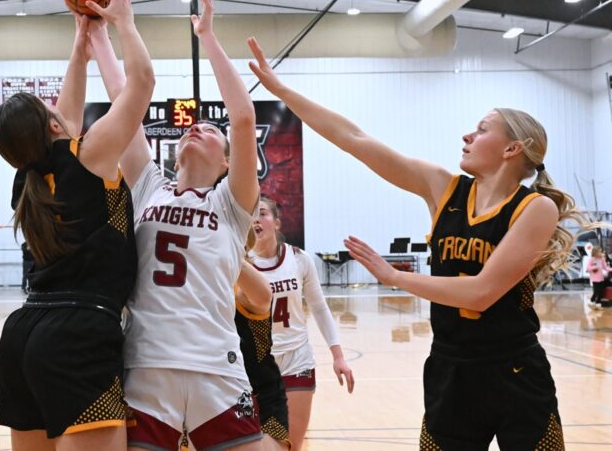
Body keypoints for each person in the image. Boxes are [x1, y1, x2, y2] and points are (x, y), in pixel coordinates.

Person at [248, 38, 592, 449]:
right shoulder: (443, 189)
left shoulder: (534, 208)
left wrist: (395, 277)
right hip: (449, 367)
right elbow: (355, 138)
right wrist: (282, 92)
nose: (467, 134)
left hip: (515, 371)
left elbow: (482, 292)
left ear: (512, 148)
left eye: (481, 130)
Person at [96, 0, 263, 450]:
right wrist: (102, 36)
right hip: (148, 367)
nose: (198, 129)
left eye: (211, 130)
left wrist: (207, 36)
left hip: (219, 369)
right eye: (194, 128)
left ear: (228, 161)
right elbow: (122, 101)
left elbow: (244, 117)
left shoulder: (231, 205)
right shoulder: (149, 184)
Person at [0, 0, 154, 451]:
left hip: (22, 337)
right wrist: (123, 21)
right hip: (79, 335)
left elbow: (66, 112)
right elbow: (142, 83)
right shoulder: (89, 155)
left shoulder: (26, 181)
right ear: (50, 124)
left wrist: (81, 47)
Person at [248, 197, 354, 451]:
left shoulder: (299, 259)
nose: (256, 220)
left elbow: (319, 307)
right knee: (255, 443)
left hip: (297, 359)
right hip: (256, 364)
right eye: (251, 215)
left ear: (276, 222)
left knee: (291, 444)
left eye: (262, 213)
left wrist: (338, 356)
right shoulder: (242, 263)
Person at [236, 232, 291, 451]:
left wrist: (221, 245)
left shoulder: (245, 288)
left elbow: (263, 297)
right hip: (209, 396)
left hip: (260, 397)